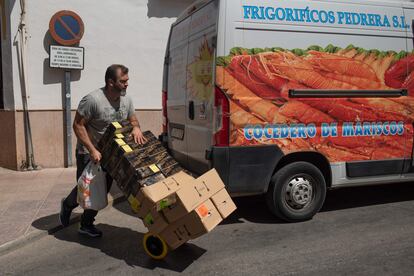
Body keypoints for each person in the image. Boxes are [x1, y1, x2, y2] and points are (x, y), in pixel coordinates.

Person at [59, 64, 146, 237]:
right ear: (110, 82)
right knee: (87, 189)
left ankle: (86, 224)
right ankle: (68, 204)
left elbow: (133, 120)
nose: (127, 84)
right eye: (123, 81)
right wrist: (91, 149)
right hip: (88, 153)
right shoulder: (93, 100)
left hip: (111, 154)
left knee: (101, 191)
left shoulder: (126, 100)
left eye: (127, 80)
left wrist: (136, 128)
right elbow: (78, 125)